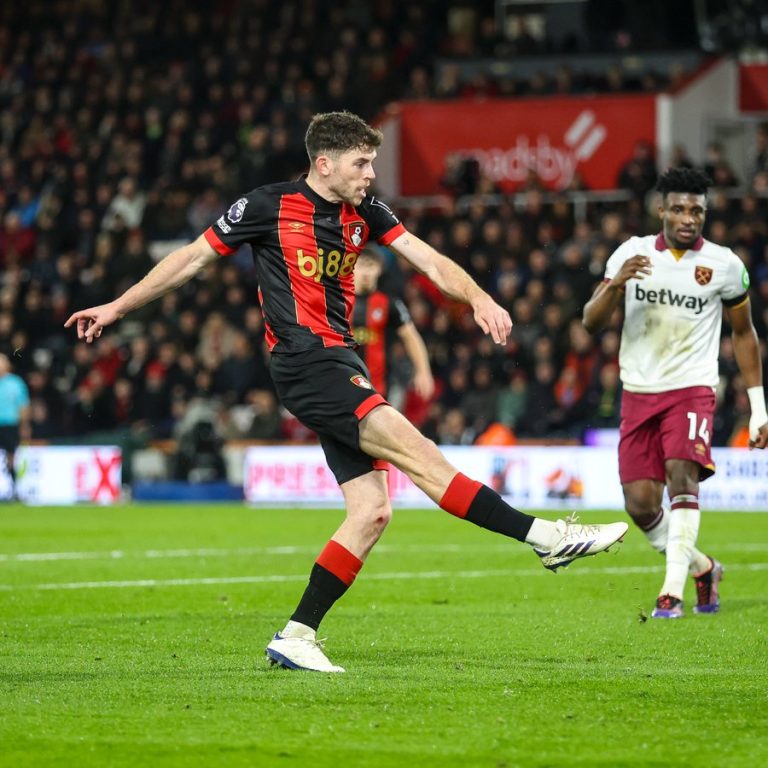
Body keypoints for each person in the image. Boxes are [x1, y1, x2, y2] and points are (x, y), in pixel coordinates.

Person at [66, 111, 628, 673]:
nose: (370, 174)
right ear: (324, 163)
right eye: (361, 163)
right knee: (423, 457)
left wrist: (478, 297)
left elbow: (426, 258)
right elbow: (190, 258)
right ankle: (546, 536)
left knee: (372, 511)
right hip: (308, 361)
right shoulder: (266, 206)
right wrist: (116, 308)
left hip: (340, 362)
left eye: (373, 163)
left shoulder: (367, 212)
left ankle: (297, 633)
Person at [583, 167, 768, 620]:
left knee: (682, 478)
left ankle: (672, 592)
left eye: (698, 211)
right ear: (661, 209)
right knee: (640, 505)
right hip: (639, 390)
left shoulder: (725, 265)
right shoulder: (632, 253)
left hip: (692, 389)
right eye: (680, 208)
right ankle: (704, 567)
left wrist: (759, 408)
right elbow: (591, 320)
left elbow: (744, 334)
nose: (689, 218)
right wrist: (617, 282)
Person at [352, 246, 434, 399]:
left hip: (377, 388)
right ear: (352, 267)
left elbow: (411, 337)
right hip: (343, 385)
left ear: (380, 270)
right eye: (361, 265)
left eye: (371, 266)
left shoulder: (389, 303)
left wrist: (423, 371)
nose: (366, 272)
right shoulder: (337, 301)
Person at [0, 353, 31, 500]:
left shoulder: (16, 383)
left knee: (11, 457)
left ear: (7, 365)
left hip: (10, 425)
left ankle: (14, 490)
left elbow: (23, 406)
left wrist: (24, 425)